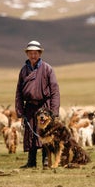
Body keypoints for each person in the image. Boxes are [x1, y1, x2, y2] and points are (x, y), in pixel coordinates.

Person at [15, 40, 60, 168]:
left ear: (40, 53)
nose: (33, 56)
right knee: (30, 134)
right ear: (27, 54)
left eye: (36, 53)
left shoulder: (47, 69)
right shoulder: (24, 71)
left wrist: (54, 111)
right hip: (29, 107)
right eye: (31, 53)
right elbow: (18, 92)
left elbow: (55, 91)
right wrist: (20, 111)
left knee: (46, 134)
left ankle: (46, 160)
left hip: (44, 106)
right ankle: (31, 162)